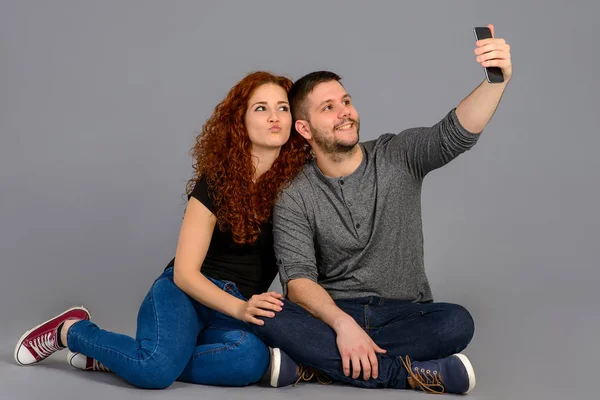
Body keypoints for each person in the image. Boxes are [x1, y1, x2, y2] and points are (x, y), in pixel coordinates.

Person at [251, 25, 512, 395]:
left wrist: (495, 82)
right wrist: (343, 325)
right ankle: (408, 375)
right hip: (333, 314)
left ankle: (319, 367)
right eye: (329, 108)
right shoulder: (294, 193)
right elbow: (298, 281)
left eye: (346, 101)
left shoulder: (397, 155)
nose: (345, 113)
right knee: (269, 316)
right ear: (304, 128)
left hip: (404, 313)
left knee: (457, 323)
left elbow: (454, 133)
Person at [13, 71, 313, 389]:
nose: (274, 117)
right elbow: (185, 273)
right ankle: (70, 331)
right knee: (155, 372)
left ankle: (127, 357)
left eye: (282, 107)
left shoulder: (299, 189)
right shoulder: (216, 183)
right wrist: (240, 308)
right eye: (261, 108)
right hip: (184, 294)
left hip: (235, 308)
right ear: (240, 120)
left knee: (249, 358)